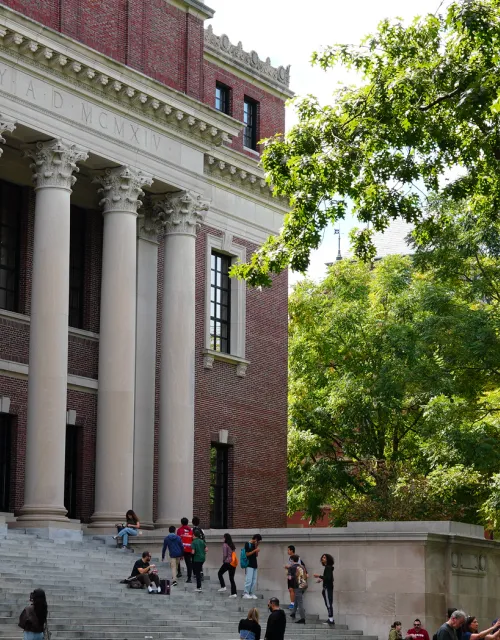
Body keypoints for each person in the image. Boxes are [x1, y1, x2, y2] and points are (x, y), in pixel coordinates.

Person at [313, 553, 335, 626]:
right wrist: (321, 579)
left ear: (328, 559)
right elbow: (330, 578)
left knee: (328, 604)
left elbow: (329, 579)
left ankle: (331, 619)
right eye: (322, 557)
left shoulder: (328, 567)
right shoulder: (328, 567)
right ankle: (330, 619)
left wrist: (319, 576)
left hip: (327, 588)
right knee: (328, 603)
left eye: (324, 557)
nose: (323, 559)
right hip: (328, 588)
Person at [284, 545, 306, 611]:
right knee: (290, 589)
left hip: (295, 577)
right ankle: (292, 603)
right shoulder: (290, 558)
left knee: (294, 590)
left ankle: (295, 604)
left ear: (291, 550)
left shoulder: (297, 558)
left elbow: (299, 566)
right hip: (291, 576)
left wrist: (289, 567)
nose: (287, 551)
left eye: (288, 550)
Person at [288, 554, 307, 624]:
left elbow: (289, 578)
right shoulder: (302, 566)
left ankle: (303, 618)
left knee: (300, 602)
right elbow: (305, 575)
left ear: (292, 560)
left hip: (297, 586)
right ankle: (293, 612)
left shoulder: (291, 567)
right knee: (296, 599)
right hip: (303, 585)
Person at [243, 533, 262, 599]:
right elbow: (247, 554)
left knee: (254, 580)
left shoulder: (255, 545)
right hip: (249, 564)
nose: (259, 543)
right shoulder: (247, 544)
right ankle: (246, 592)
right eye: (259, 541)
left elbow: (256, 555)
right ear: (256, 539)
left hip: (254, 564)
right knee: (249, 579)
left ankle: (251, 593)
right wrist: (255, 550)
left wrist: (256, 547)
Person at [218, 532, 237, 597]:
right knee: (232, 578)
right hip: (233, 563)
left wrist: (223, 560)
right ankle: (234, 593)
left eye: (223, 537)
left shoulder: (225, 545)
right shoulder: (232, 544)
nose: (223, 538)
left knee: (220, 573)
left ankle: (223, 586)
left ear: (225, 538)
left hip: (227, 562)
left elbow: (225, 555)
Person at [177, 517, 194, 583]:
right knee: (188, 563)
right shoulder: (191, 530)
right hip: (189, 549)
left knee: (178, 561)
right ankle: (189, 577)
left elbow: (178, 540)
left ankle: (179, 572)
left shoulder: (179, 530)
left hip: (181, 548)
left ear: (181, 523)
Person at [191, 528, 207, 593]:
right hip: (202, 558)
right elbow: (206, 549)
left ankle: (199, 587)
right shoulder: (202, 541)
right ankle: (201, 572)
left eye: (193, 535)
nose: (192, 536)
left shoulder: (193, 542)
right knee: (199, 569)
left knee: (197, 573)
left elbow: (193, 552)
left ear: (195, 535)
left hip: (197, 559)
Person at [192, 516, 206, 580]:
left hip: (195, 547)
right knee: (200, 560)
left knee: (194, 560)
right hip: (202, 547)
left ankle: (196, 573)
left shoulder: (192, 530)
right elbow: (204, 538)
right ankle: (201, 571)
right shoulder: (202, 530)